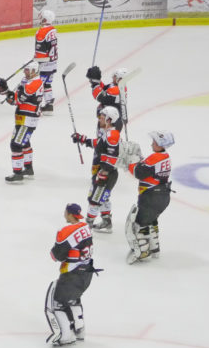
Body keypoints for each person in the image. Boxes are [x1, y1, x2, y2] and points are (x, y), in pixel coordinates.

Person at [46, 203, 96, 347]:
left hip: (72, 274)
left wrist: (54, 253)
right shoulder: (86, 227)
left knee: (58, 303)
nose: (64, 214)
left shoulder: (66, 230)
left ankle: (66, 335)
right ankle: (80, 331)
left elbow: (57, 255)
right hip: (87, 273)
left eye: (65, 212)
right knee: (74, 299)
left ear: (69, 214)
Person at [72, 106, 122, 233]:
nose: (100, 118)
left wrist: (104, 172)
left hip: (106, 172)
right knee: (102, 197)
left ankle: (87, 226)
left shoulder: (112, 135)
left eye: (103, 117)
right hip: (105, 171)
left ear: (110, 119)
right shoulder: (109, 133)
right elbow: (99, 143)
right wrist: (83, 139)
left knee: (94, 199)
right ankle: (106, 221)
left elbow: (112, 156)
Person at [126, 130, 173, 264]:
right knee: (152, 221)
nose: (152, 143)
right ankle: (154, 248)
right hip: (163, 196)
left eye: (154, 141)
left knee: (139, 224)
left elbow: (139, 172)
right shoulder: (165, 156)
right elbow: (148, 168)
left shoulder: (155, 157)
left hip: (151, 196)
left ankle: (143, 252)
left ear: (160, 144)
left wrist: (130, 162)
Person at [0, 61, 44, 184]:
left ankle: (17, 173)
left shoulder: (34, 84)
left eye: (27, 70)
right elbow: (15, 97)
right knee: (25, 143)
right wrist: (5, 91)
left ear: (34, 71)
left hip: (28, 120)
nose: (25, 72)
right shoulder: (27, 81)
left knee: (16, 145)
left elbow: (16, 100)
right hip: (22, 118)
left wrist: (6, 92)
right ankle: (28, 169)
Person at [86, 66, 128, 132]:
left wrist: (95, 83)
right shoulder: (115, 85)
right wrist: (96, 79)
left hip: (112, 122)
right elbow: (104, 88)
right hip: (106, 119)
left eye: (114, 76)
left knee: (104, 141)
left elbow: (100, 96)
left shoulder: (118, 89)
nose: (112, 77)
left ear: (119, 79)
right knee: (101, 140)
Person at [33, 8, 58, 114]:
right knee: (47, 84)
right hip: (53, 62)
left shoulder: (41, 31)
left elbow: (40, 49)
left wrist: (36, 60)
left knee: (38, 84)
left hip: (44, 62)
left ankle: (34, 105)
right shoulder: (52, 29)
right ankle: (49, 105)